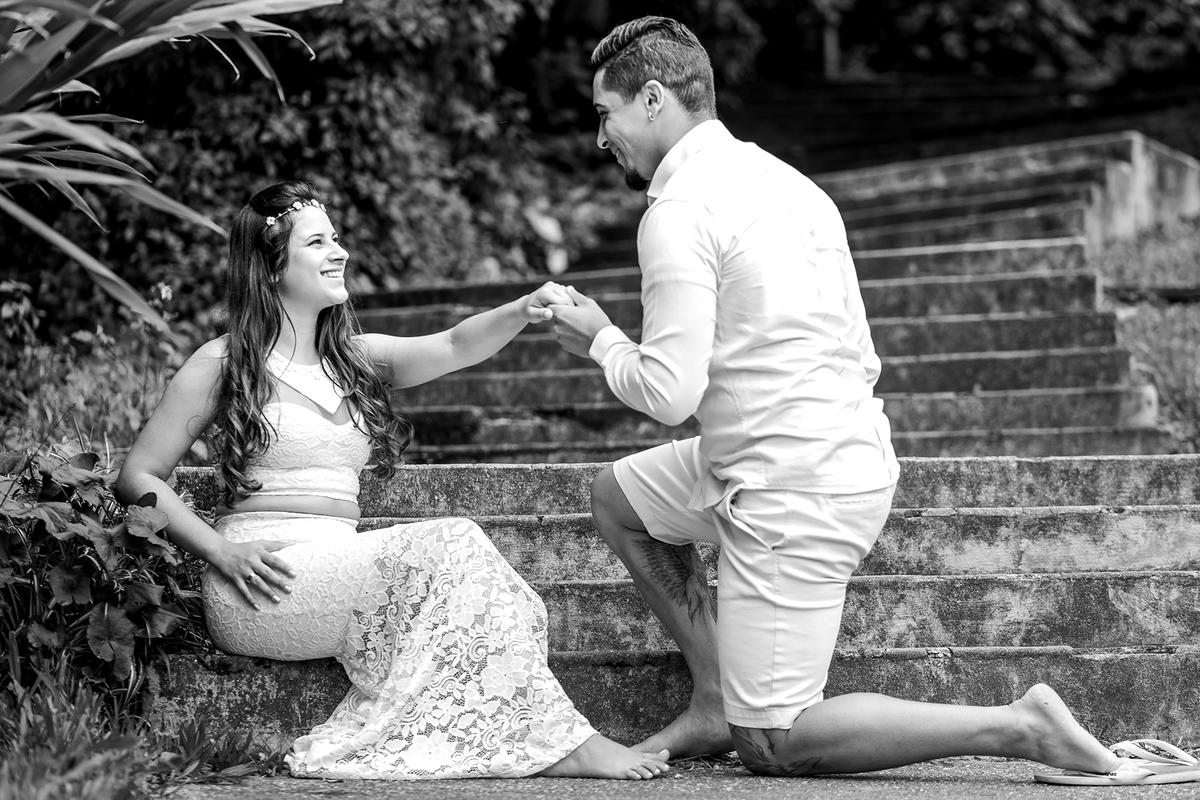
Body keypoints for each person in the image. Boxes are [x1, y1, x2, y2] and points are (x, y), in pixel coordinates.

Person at [545, 15, 1177, 784]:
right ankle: (714, 698)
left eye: (604, 113)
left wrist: (602, 340)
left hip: (794, 487)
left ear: (652, 99)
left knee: (773, 742)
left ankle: (1020, 725)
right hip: (808, 450)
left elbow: (670, 393)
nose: (599, 137)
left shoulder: (676, 212)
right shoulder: (791, 183)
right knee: (618, 498)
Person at [116, 180, 670, 781]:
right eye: (319, 241)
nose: (340, 252)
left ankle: (554, 740)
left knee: (473, 574)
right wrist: (220, 549)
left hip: (340, 564)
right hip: (261, 579)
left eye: (338, 238)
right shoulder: (224, 362)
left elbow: (456, 344)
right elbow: (138, 476)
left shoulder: (355, 357)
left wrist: (522, 308)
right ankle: (570, 746)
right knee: (454, 541)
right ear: (271, 267)